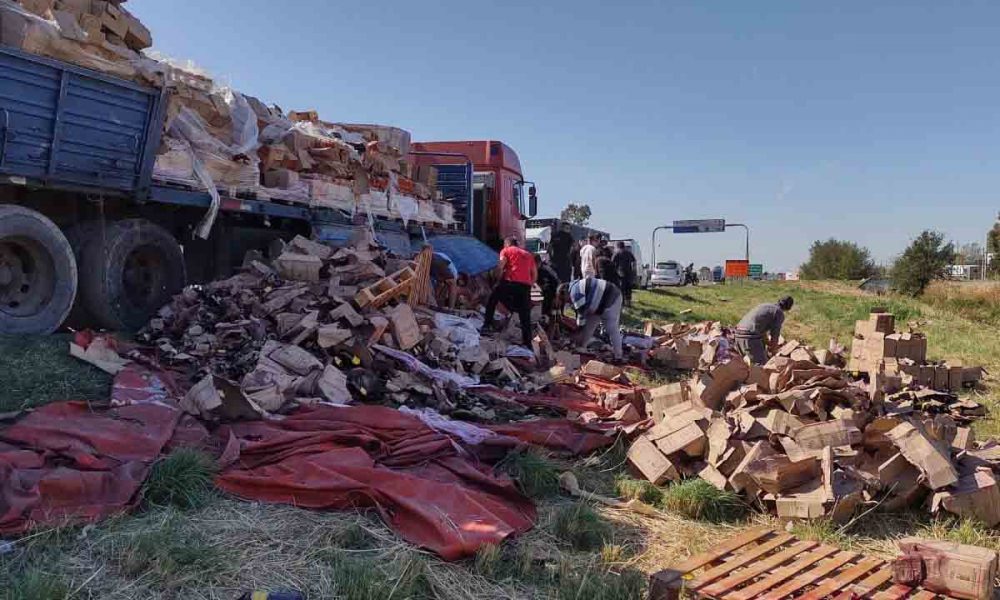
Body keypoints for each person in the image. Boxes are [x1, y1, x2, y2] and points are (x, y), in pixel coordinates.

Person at [484, 237, 537, 348]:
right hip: (525, 286)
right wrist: (529, 285)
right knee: (525, 315)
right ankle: (527, 343)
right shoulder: (528, 254)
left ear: (507, 243)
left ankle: (487, 325)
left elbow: (500, 266)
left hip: (510, 282)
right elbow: (534, 274)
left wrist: (496, 281)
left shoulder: (506, 250)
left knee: (492, 299)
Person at [558, 277, 624, 361]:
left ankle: (618, 356)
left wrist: (576, 334)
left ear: (565, 292)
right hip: (598, 302)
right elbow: (583, 316)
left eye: (564, 299)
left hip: (612, 297)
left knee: (611, 327)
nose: (567, 302)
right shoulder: (574, 287)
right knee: (589, 326)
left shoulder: (575, 294)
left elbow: (581, 317)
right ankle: (582, 347)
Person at [735, 296, 794, 365]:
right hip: (750, 338)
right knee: (761, 367)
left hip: (738, 335)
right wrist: (774, 351)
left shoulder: (765, 306)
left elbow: (761, 330)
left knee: (746, 366)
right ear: (788, 307)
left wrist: (768, 343)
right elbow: (775, 335)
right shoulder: (778, 312)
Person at [534, 254, 560, 322]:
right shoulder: (538, 270)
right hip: (546, 292)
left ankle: (547, 319)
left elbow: (556, 281)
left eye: (534, 264)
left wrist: (556, 296)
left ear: (538, 262)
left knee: (550, 311)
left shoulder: (546, 270)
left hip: (553, 291)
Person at [612, 241, 637, 307]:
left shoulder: (617, 253)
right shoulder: (629, 253)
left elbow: (612, 262)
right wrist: (633, 272)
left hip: (620, 273)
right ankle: (628, 303)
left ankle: (622, 303)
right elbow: (634, 262)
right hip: (629, 273)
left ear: (618, 246)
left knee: (621, 289)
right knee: (628, 289)